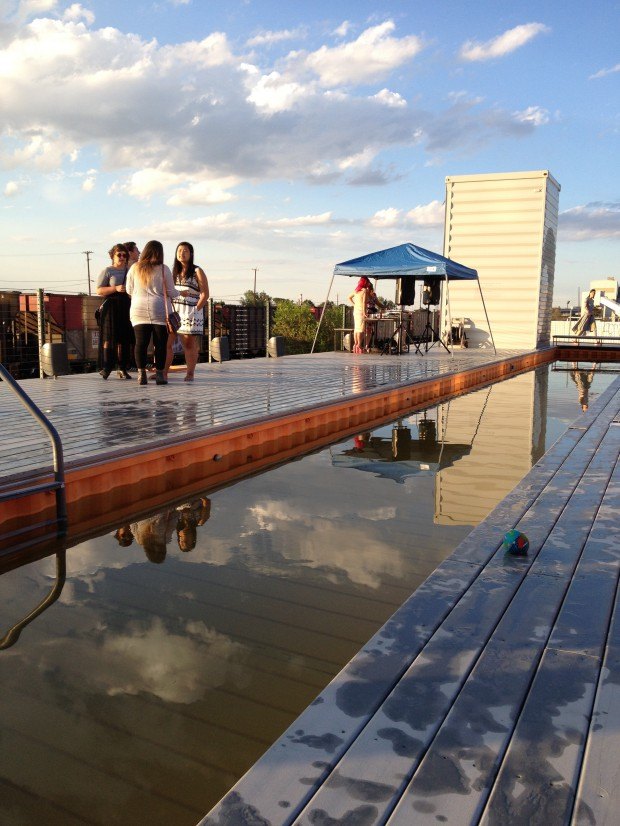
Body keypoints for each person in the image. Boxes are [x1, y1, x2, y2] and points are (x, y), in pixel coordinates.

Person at [126, 240, 188, 386]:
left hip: (138, 310)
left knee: (140, 344)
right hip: (159, 310)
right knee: (160, 345)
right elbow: (171, 292)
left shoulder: (135, 267)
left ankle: (141, 374)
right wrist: (181, 293)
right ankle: (160, 375)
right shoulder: (163, 269)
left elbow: (128, 290)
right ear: (160, 253)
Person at [165, 242, 209, 382]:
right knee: (166, 343)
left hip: (190, 311)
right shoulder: (173, 271)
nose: (181, 253)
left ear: (191, 254)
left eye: (185, 251)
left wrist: (196, 309)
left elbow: (205, 294)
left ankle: (190, 373)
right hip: (174, 312)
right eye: (179, 250)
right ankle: (163, 372)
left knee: (188, 344)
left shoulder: (197, 271)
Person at [96, 243, 134, 379]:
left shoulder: (130, 271)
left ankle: (123, 368)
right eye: (119, 255)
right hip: (111, 306)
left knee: (124, 339)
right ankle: (107, 367)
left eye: (125, 255)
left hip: (126, 306)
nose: (122, 257)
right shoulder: (108, 271)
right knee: (109, 338)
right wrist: (115, 288)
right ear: (113, 256)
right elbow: (99, 290)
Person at [348, 276, 372, 354]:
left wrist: (354, 304)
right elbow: (364, 302)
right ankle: (359, 345)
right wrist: (365, 312)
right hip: (361, 311)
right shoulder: (364, 291)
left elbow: (349, 297)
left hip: (355, 311)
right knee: (361, 329)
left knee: (356, 328)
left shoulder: (356, 290)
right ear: (365, 282)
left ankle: (355, 345)